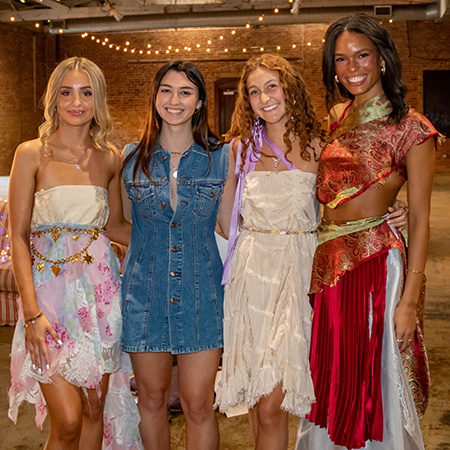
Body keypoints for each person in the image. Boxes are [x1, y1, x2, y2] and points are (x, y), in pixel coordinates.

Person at [214, 54, 407, 450]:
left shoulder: (323, 145)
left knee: (275, 400)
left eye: (272, 86)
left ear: (290, 89)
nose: (264, 97)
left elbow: (350, 199)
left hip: (300, 270)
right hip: (251, 275)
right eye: (254, 91)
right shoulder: (239, 149)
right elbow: (222, 222)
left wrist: (393, 210)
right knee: (256, 396)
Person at [296, 13, 442, 450]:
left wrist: (411, 299)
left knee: (373, 378)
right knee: (330, 373)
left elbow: (420, 216)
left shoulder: (413, 128)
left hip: (376, 263)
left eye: (362, 55)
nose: (351, 67)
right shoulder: (337, 116)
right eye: (340, 59)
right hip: (328, 264)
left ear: (382, 59)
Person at [7, 57, 140, 449]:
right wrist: (31, 313)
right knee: (66, 421)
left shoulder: (110, 158)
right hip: (48, 302)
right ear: (54, 99)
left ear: (98, 100)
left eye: (86, 93)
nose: (76, 102)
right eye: (67, 92)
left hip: (101, 298)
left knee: (94, 409)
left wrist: (174, 239)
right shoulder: (31, 153)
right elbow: (16, 236)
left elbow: (115, 227)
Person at [120, 60, 236, 450]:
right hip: (144, 296)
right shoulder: (130, 157)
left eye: (185, 92)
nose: (175, 100)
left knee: (198, 405)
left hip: (202, 295)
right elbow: (116, 223)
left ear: (200, 101)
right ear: (155, 98)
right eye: (166, 90)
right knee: (150, 401)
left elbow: (231, 226)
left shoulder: (221, 157)